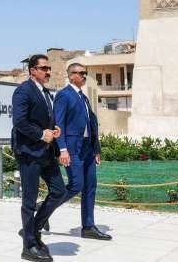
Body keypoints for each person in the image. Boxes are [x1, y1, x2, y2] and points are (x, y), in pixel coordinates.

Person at [12, 54, 67, 262]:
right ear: (32, 70)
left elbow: (43, 119)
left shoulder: (45, 92)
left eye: (48, 68)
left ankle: (33, 230)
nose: (48, 71)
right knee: (29, 201)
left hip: (46, 152)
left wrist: (53, 130)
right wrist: (41, 134)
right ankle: (29, 246)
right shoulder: (23, 91)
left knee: (59, 191)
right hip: (29, 152)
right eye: (44, 68)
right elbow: (19, 122)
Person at [55, 63, 110, 241]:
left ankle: (88, 226)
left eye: (85, 73)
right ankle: (44, 207)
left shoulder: (83, 97)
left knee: (90, 186)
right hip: (72, 149)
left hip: (87, 148)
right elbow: (58, 124)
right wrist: (62, 149)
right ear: (71, 75)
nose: (84, 76)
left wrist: (96, 149)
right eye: (80, 73)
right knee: (76, 185)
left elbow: (91, 125)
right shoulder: (64, 95)